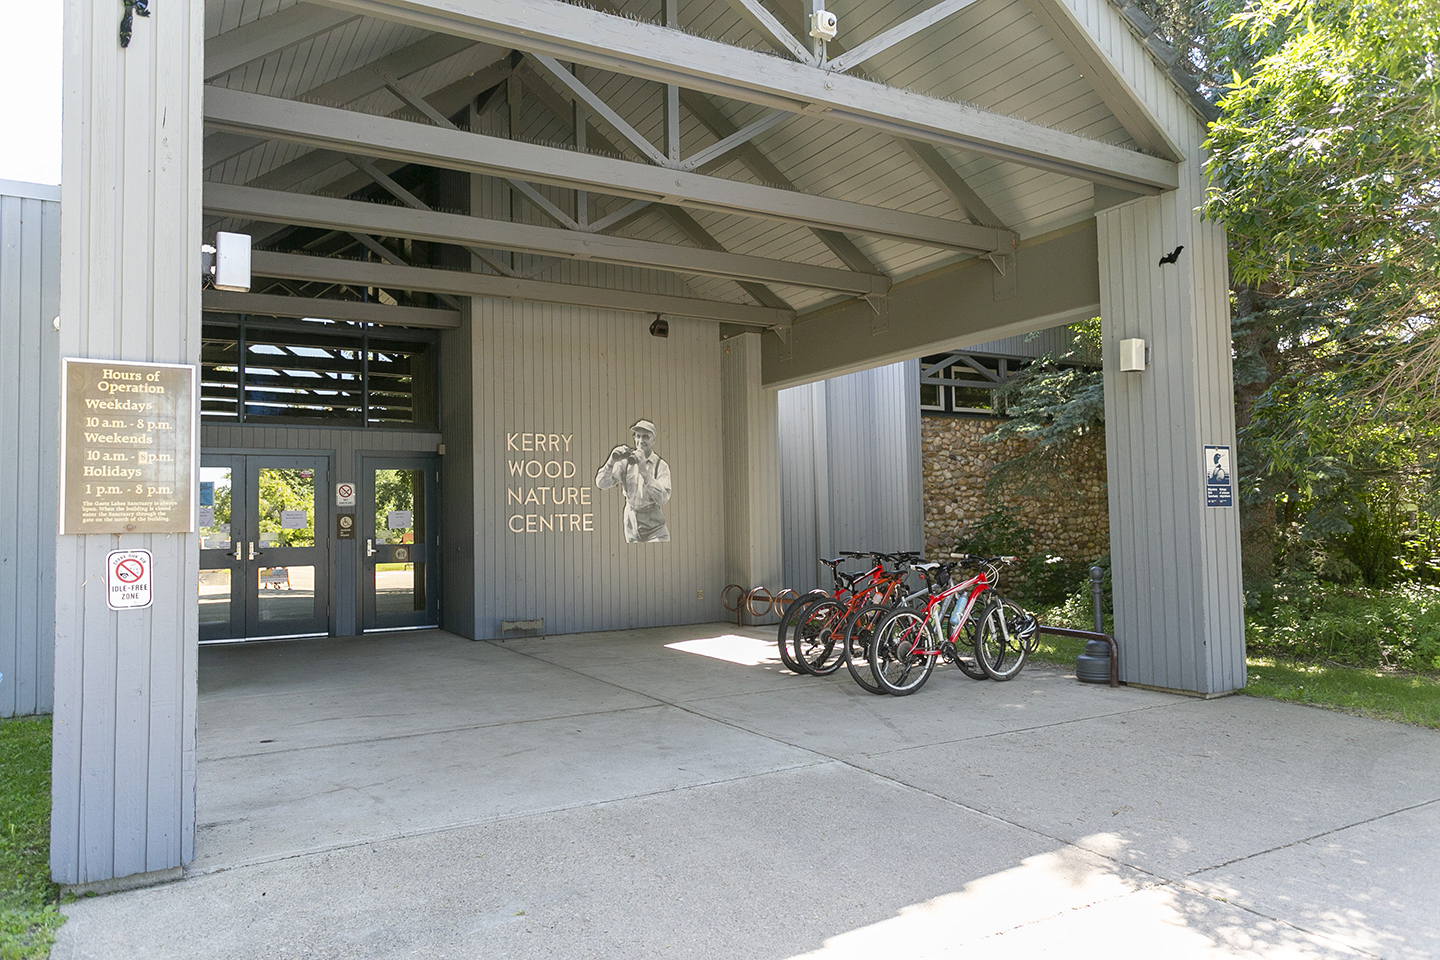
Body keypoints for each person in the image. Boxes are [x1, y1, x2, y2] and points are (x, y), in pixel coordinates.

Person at [595, 419, 671, 543]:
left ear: (653, 440)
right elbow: (601, 483)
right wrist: (611, 461)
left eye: (645, 437)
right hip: (631, 526)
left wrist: (644, 472)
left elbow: (663, 498)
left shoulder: (660, 466)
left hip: (655, 528)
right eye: (638, 436)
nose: (641, 441)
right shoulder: (626, 463)